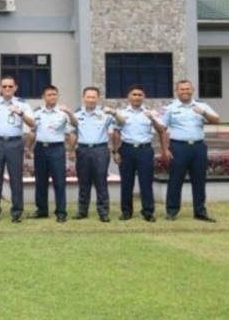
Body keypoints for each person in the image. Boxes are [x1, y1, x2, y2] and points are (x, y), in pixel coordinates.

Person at [161, 80, 220, 222]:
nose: (185, 91)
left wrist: (203, 113)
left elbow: (217, 120)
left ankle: (200, 211)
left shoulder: (202, 105)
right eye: (181, 89)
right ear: (176, 91)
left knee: (199, 180)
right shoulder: (170, 108)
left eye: (187, 88)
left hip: (198, 147)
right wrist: (164, 149)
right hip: (178, 147)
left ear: (192, 90)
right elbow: (162, 129)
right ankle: (172, 211)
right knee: (175, 180)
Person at [0, 76, 33, 223]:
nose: (7, 89)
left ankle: (17, 212)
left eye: (10, 86)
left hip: (15, 143)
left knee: (16, 178)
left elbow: (32, 123)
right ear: (0, 88)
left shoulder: (22, 104)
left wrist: (20, 113)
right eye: (4, 86)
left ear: (15, 88)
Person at [112, 84, 165, 222]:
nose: (137, 97)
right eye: (134, 94)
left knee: (146, 182)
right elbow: (116, 132)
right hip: (126, 149)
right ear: (128, 96)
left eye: (140, 95)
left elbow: (161, 130)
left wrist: (152, 119)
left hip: (144, 150)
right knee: (126, 182)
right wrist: (115, 151)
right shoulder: (121, 113)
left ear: (144, 97)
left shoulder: (150, 112)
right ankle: (126, 211)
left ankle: (148, 212)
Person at [26, 85, 78, 222]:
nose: (52, 97)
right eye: (49, 95)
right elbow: (32, 131)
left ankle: (61, 212)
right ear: (43, 97)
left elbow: (75, 126)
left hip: (57, 149)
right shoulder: (37, 112)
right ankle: (42, 210)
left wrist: (70, 113)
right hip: (40, 148)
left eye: (55, 94)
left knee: (59, 181)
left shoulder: (63, 112)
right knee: (40, 181)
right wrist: (27, 148)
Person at [72, 86, 124, 222]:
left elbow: (122, 122)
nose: (90, 100)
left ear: (98, 98)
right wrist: (71, 150)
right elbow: (73, 133)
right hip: (83, 150)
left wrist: (114, 112)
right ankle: (82, 211)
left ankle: (103, 212)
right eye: (88, 97)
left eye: (93, 97)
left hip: (100, 150)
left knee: (101, 182)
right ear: (83, 98)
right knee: (83, 182)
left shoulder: (105, 113)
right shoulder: (77, 114)